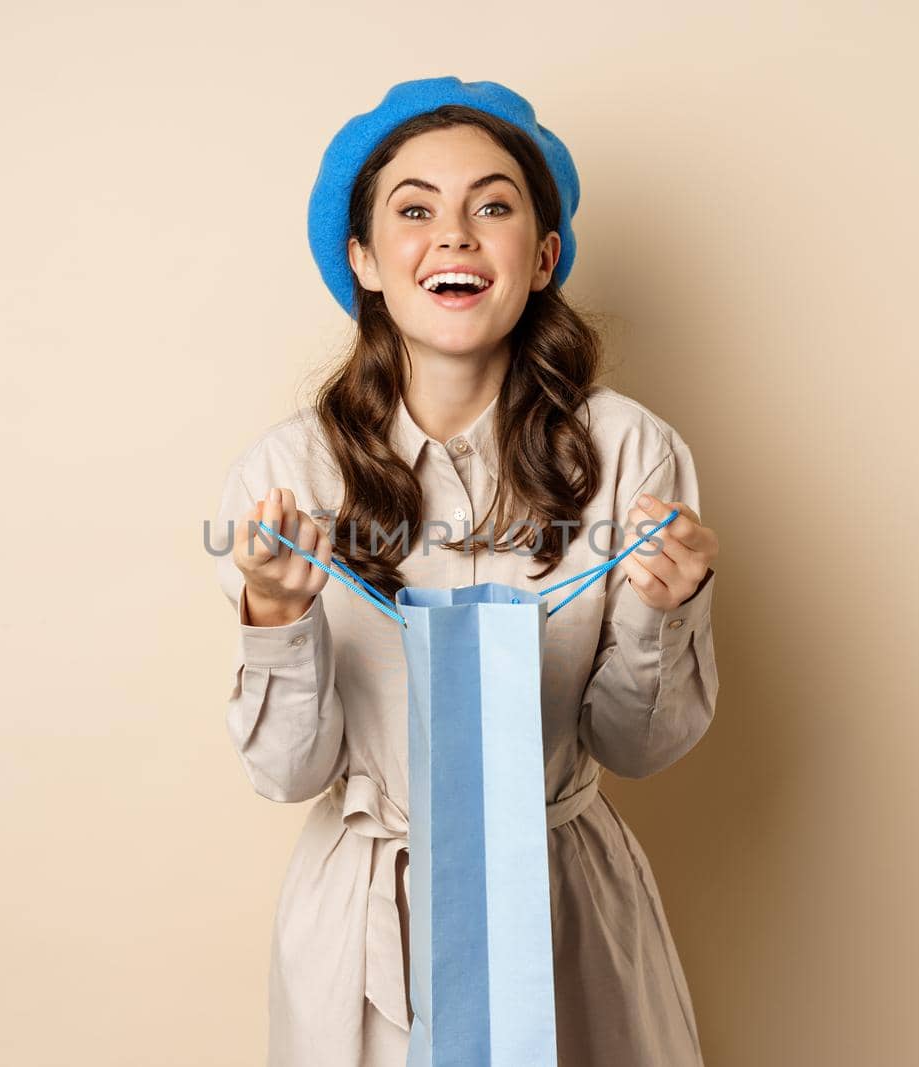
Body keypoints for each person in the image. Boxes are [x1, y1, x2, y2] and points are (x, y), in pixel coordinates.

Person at [210, 76, 721, 1067]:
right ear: (363, 258)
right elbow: (286, 771)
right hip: (365, 922)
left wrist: (673, 609)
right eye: (413, 210)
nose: (453, 235)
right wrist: (271, 615)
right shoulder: (287, 472)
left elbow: (636, 744)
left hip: (566, 905)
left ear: (541, 259)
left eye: (491, 205)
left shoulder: (629, 453)